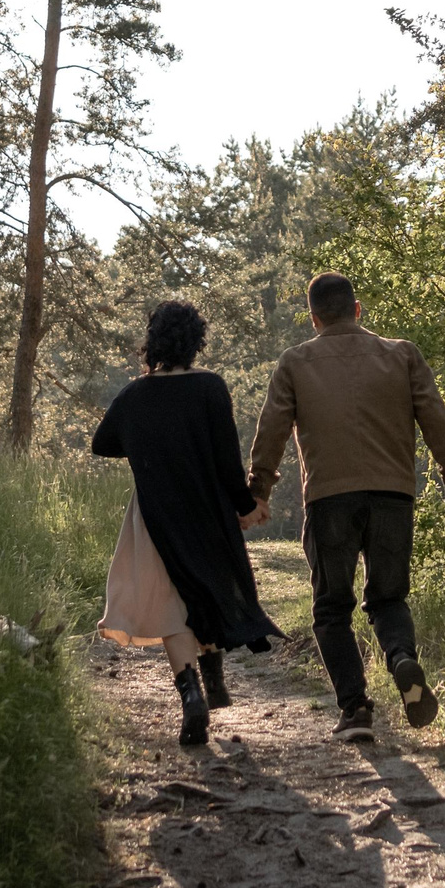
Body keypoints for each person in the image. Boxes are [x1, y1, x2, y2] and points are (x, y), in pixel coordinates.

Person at [247, 272, 445, 743]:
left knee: (332, 609)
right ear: (358, 309)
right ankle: (401, 658)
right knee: (388, 599)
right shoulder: (402, 353)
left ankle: (355, 709)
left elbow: (271, 430)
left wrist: (259, 490)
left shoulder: (295, 362)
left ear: (314, 318)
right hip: (392, 496)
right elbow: (435, 416)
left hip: (329, 498)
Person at [92, 299, 285, 746]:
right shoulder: (210, 389)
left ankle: (192, 693)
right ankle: (213, 670)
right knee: (208, 588)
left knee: (170, 607)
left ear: (153, 341)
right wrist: (246, 505)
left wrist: (147, 442)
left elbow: (103, 443)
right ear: (196, 341)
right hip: (208, 510)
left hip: (155, 515)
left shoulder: (135, 395)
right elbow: (225, 461)